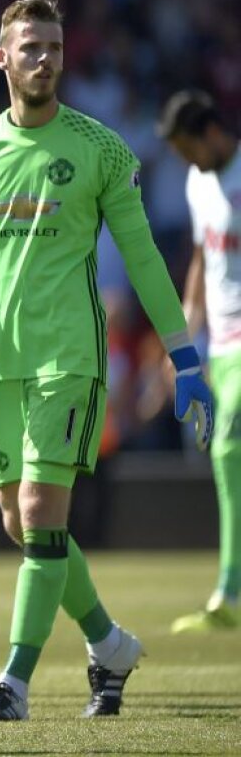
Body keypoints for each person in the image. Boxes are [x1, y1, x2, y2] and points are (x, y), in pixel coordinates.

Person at [0, 0, 215, 721]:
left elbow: (146, 259)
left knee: (38, 511)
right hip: (1, 364)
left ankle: (14, 685)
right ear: (3, 58)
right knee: (24, 528)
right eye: (30, 48)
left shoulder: (101, 149)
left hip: (70, 361)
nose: (44, 60)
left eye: (53, 48)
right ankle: (110, 645)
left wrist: (184, 355)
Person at [158, 89, 240, 634]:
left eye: (191, 149)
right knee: (222, 452)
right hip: (220, 345)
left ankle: (229, 590)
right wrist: (185, 335)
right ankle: (229, 588)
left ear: (212, 132)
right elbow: (202, 259)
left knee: (229, 441)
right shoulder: (197, 183)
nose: (189, 162)